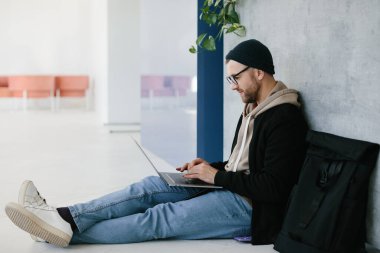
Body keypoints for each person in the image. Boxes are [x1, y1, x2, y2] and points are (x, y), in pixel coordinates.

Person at [4, 39, 308, 247]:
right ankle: (63, 217)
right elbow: (242, 163)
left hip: (250, 208)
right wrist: (209, 167)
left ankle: (56, 233)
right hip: (231, 184)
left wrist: (217, 177)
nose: (233, 87)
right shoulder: (253, 107)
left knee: (160, 219)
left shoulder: (283, 118)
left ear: (258, 71)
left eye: (235, 78)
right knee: (149, 187)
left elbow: (274, 188)